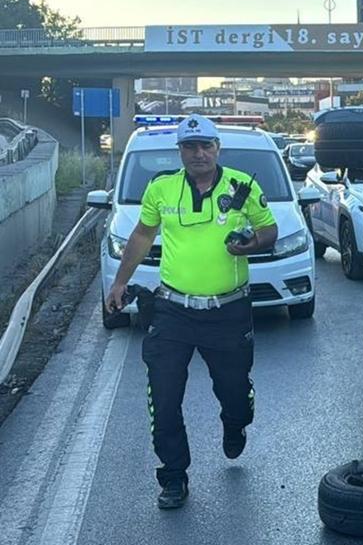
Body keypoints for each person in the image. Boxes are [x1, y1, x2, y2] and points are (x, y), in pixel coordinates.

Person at [104, 114, 278, 509]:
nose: (198, 153)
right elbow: (143, 235)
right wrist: (118, 283)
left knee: (234, 392)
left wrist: (251, 243)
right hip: (173, 311)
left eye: (206, 146)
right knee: (163, 397)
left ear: (217, 148)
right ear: (180, 151)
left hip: (228, 312)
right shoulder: (161, 188)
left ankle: (235, 423)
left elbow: (269, 231)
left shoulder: (242, 186)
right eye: (189, 146)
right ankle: (173, 476)